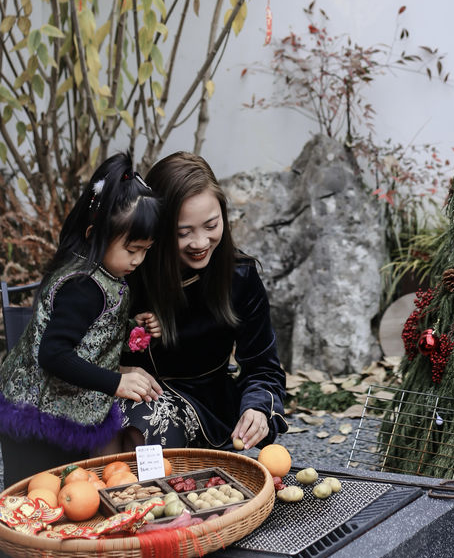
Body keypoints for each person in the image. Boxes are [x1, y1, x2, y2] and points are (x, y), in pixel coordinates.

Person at [0, 153, 163, 487]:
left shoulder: (104, 275)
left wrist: (133, 330)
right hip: (37, 417)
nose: (138, 260)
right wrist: (116, 382)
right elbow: (54, 353)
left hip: (68, 408)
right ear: (93, 234)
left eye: (145, 250)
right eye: (132, 249)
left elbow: (91, 332)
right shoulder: (82, 286)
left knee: (72, 493)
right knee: (34, 496)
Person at [119, 152, 287, 453]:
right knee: (134, 427)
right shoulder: (129, 269)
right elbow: (80, 348)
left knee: (153, 429)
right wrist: (118, 372)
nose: (200, 243)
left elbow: (264, 367)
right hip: (132, 398)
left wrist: (258, 410)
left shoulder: (241, 276)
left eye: (211, 226)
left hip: (210, 404)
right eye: (184, 233)